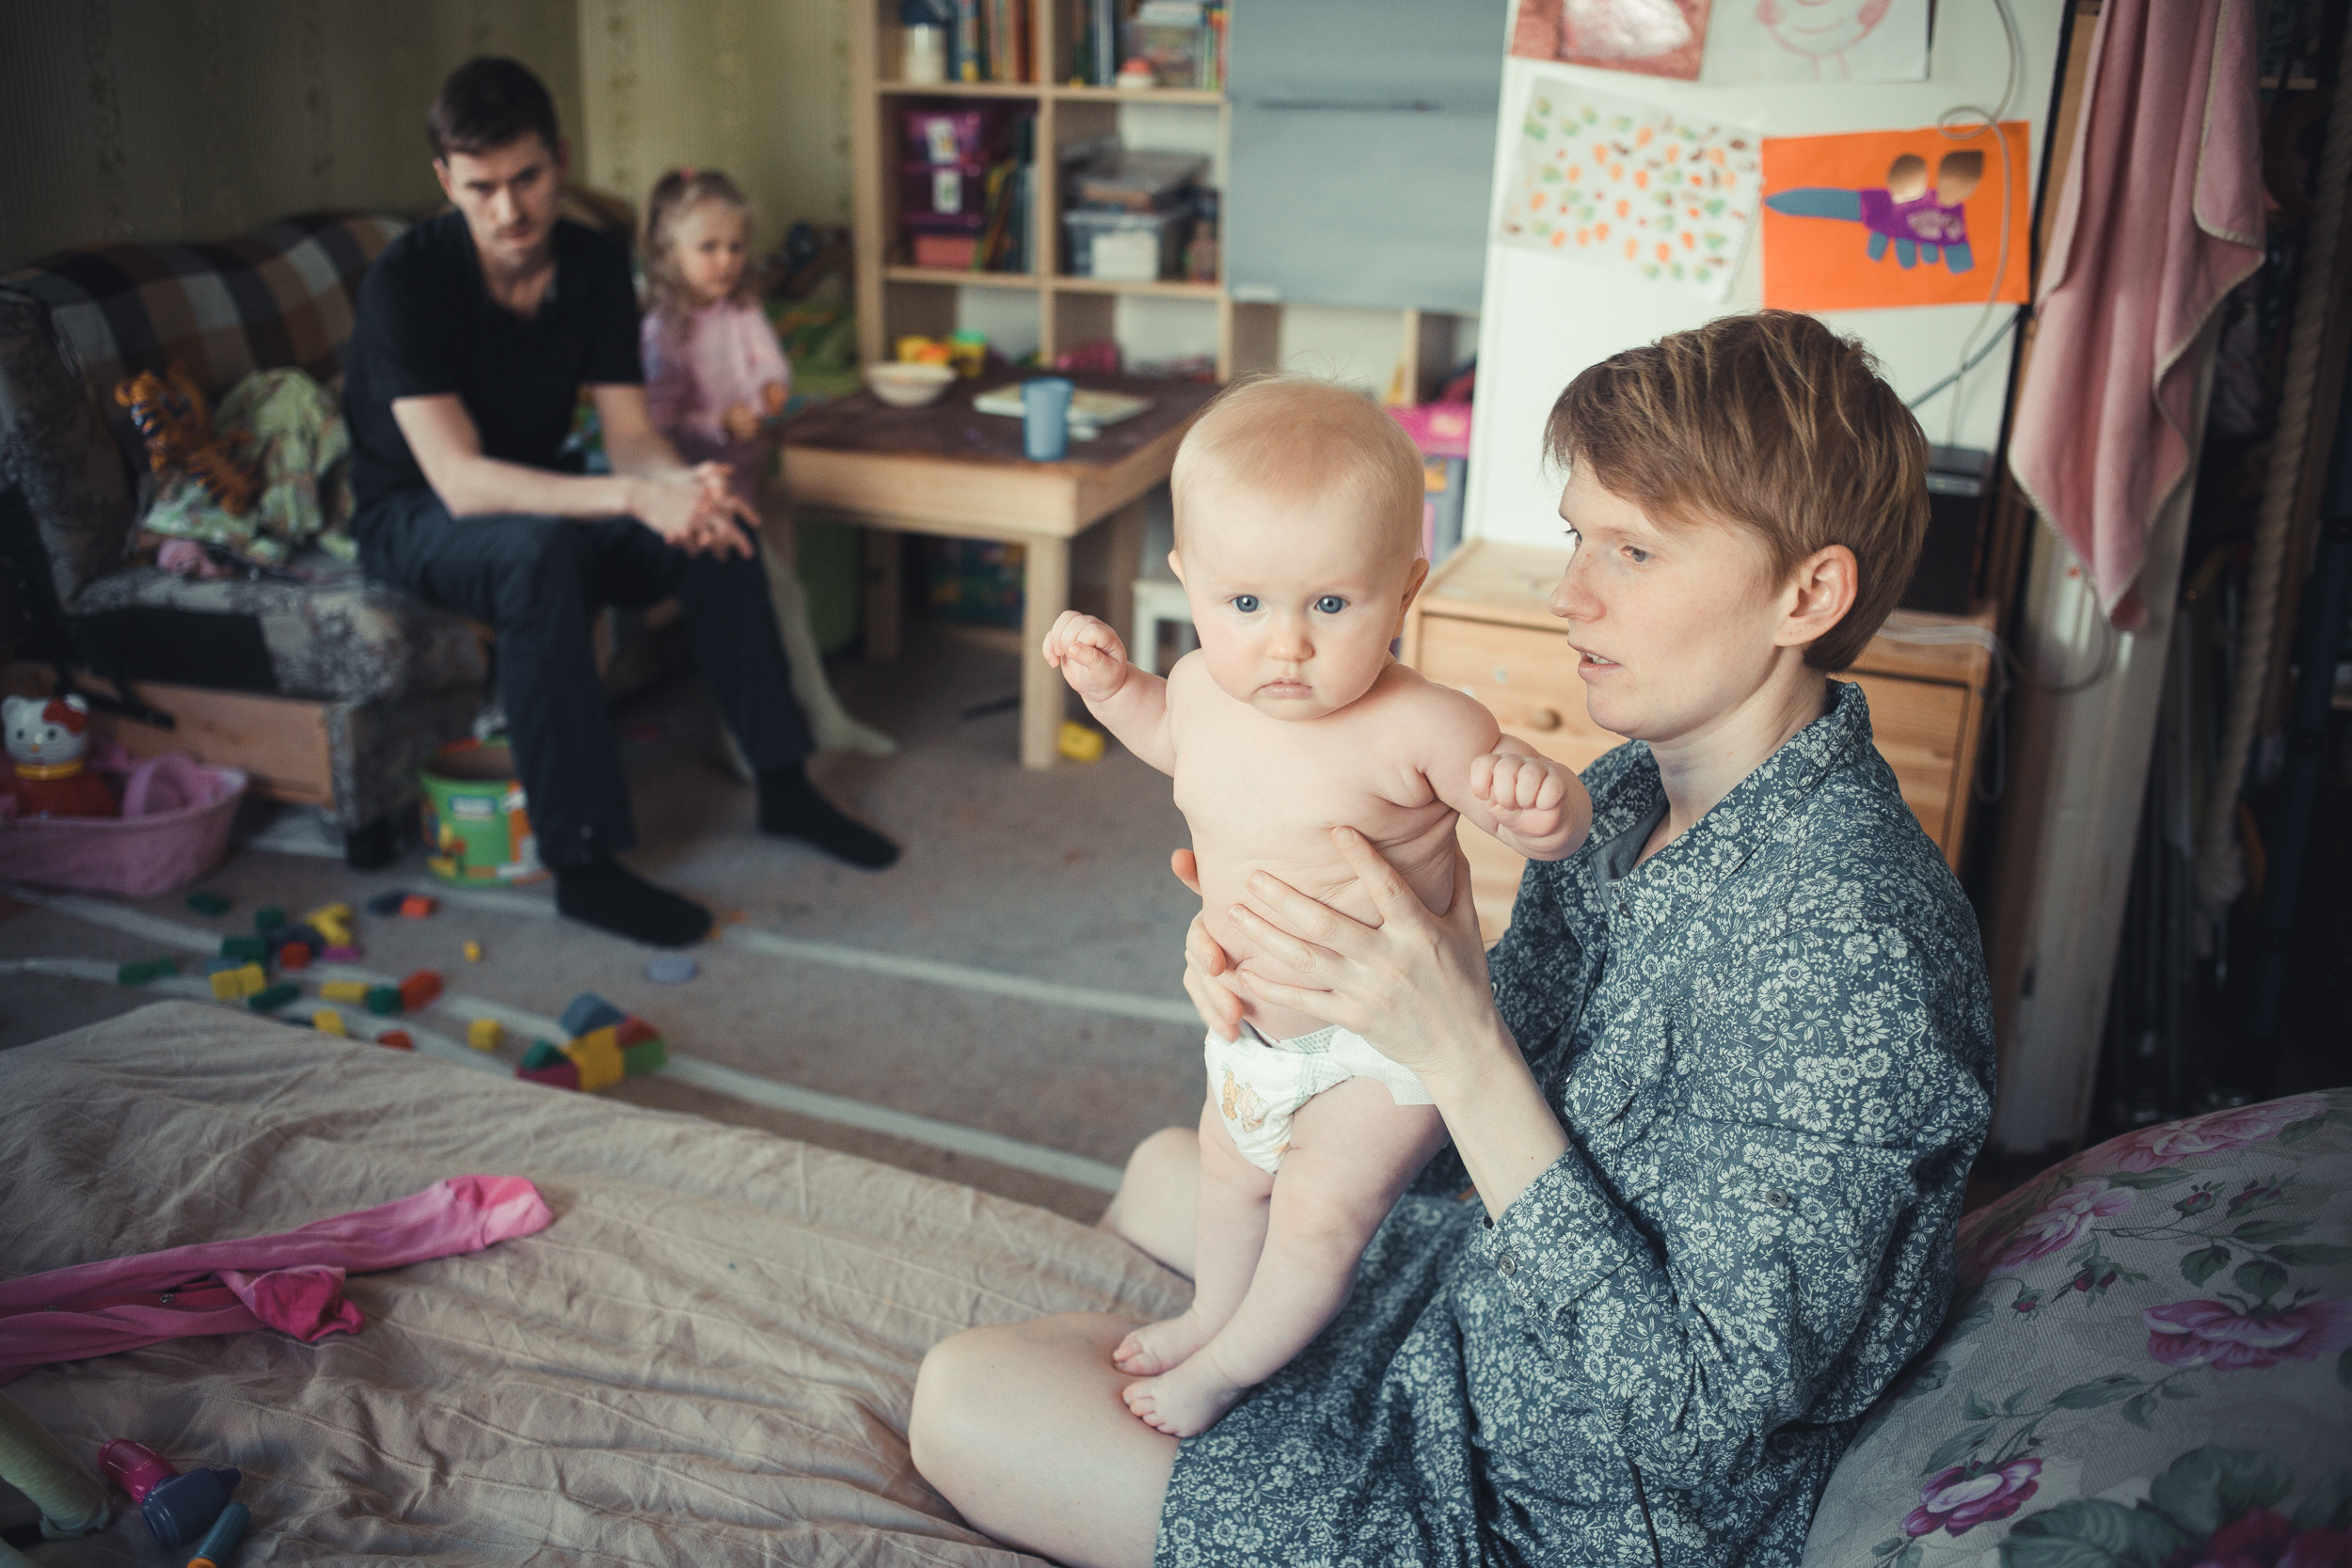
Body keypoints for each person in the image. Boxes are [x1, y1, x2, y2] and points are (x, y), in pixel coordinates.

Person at [910, 311, 1997, 1568]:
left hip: (1547, 1493)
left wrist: (1453, 1041)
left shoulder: (1859, 952)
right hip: (1481, 1283)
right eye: (1580, 535)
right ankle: (1253, 1324)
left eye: (1634, 550)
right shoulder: (1633, 791)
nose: (1569, 592)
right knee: (1178, 1167)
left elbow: (1697, 1413)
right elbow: (1516, 1067)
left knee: (965, 1398)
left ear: (1807, 593)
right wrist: (1294, 976)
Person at [1039, 377, 1593, 1439]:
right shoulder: (1200, 686)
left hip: (1385, 1051)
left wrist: (1544, 800)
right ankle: (1212, 1312)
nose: (1284, 644)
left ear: (1405, 588)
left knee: (1315, 1212)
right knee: (1226, 1174)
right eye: (1245, 605)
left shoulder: (1424, 723)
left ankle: (1229, 1366)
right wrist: (1110, 689)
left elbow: (1540, 823)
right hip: (1254, 1031)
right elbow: (1164, 734)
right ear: (1188, 581)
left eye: (1330, 606)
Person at [343, 57, 898, 952]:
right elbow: (461, 480)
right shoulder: (403, 283)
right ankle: (584, 862)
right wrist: (636, 494)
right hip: (418, 514)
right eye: (481, 187)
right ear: (446, 181)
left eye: (528, 178)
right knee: (540, 554)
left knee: (717, 524)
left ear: (561, 160)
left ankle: (785, 785)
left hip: (546, 487)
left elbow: (631, 432)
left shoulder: (595, 260)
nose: (509, 209)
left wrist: (682, 490)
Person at [638, 167, 895, 759]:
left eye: (735, 246)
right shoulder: (663, 330)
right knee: (751, 608)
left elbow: (771, 364)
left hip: (748, 481)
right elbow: (657, 422)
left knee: (782, 597)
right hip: (700, 496)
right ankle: (753, 738)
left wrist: (773, 388)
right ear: (668, 252)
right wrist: (718, 422)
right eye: (708, 247)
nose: (726, 260)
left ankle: (821, 717)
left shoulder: (742, 309)